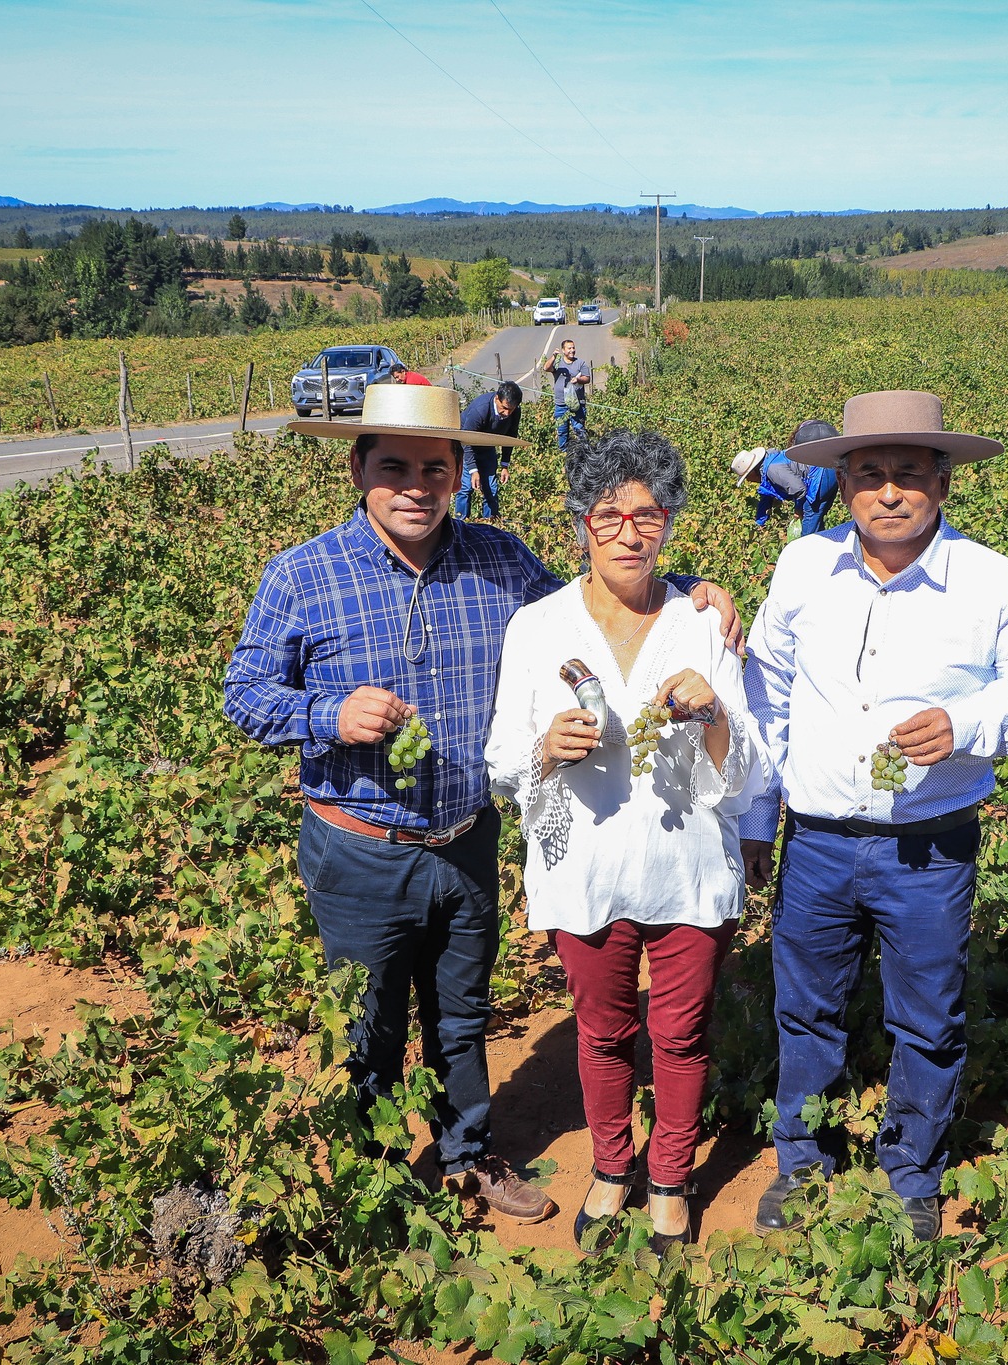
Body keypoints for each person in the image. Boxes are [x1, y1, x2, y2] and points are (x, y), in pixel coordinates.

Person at [222, 383, 742, 1227]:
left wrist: (693, 589)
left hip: (466, 838)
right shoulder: (302, 574)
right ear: (357, 468)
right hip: (360, 845)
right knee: (369, 1024)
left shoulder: (500, 561)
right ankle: (375, 1179)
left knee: (462, 1016)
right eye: (394, 467)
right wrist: (327, 715)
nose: (415, 486)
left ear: (460, 473)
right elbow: (243, 694)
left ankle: (467, 1156)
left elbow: (602, 594)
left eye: (435, 468)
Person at [739, 390, 1008, 1243]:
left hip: (929, 849)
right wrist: (761, 809)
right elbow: (768, 687)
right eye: (871, 473)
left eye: (909, 473)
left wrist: (966, 724)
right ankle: (802, 1161)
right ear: (844, 482)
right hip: (816, 840)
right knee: (805, 1008)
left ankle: (911, 1174)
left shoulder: (996, 584)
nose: (889, 492)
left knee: (926, 1015)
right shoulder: (802, 568)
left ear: (943, 482)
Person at [487, 430, 771, 1254]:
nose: (629, 532)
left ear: (669, 522)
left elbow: (748, 769)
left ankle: (671, 1176)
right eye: (608, 514)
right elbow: (502, 759)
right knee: (603, 1030)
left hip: (689, 869)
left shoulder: (703, 622)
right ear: (581, 521)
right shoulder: (537, 626)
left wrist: (714, 710)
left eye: (648, 514)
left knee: (680, 1034)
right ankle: (613, 1166)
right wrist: (546, 747)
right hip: (585, 869)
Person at [730, 419, 842, 538]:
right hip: (826, 470)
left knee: (809, 522)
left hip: (822, 474)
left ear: (753, 471)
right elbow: (766, 499)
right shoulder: (767, 465)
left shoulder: (772, 469)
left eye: (747, 476)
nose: (748, 480)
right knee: (815, 521)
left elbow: (799, 489)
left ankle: (810, 547)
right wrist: (759, 523)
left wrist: (798, 510)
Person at [456, 381, 522, 520]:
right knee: (466, 487)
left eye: (511, 409)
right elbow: (466, 440)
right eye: (504, 408)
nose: (507, 413)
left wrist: (505, 465)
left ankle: (490, 522)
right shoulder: (480, 410)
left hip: (487, 447)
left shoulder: (514, 412)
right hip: (467, 447)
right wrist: (473, 470)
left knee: (491, 488)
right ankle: (460, 522)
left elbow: (510, 437)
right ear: (497, 399)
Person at [542, 338, 592, 451]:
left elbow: (587, 378)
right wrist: (554, 356)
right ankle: (563, 452)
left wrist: (578, 380)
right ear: (563, 350)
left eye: (573, 348)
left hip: (577, 404)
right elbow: (546, 368)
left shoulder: (580, 363)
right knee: (562, 431)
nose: (572, 350)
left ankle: (583, 452)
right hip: (561, 405)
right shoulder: (558, 363)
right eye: (569, 348)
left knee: (579, 429)